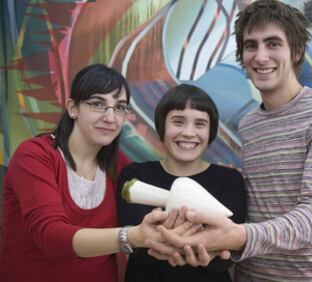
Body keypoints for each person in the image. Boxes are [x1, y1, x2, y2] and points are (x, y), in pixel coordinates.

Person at [148, 1, 312, 281]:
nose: (260, 56)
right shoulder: (249, 124)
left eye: (273, 44)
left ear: (296, 51)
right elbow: (255, 210)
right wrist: (215, 244)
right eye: (251, 46)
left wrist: (237, 236)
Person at [0, 64, 186, 282]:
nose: (110, 117)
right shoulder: (34, 156)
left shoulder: (119, 167)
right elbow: (51, 237)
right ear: (72, 108)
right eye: (98, 104)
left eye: (120, 107)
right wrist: (132, 236)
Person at [117, 83, 247, 282]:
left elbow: (224, 258)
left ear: (210, 132)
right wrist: (201, 235)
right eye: (178, 121)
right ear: (161, 127)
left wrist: (163, 232)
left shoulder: (229, 180)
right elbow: (140, 252)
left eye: (200, 124)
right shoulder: (135, 176)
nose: (188, 132)